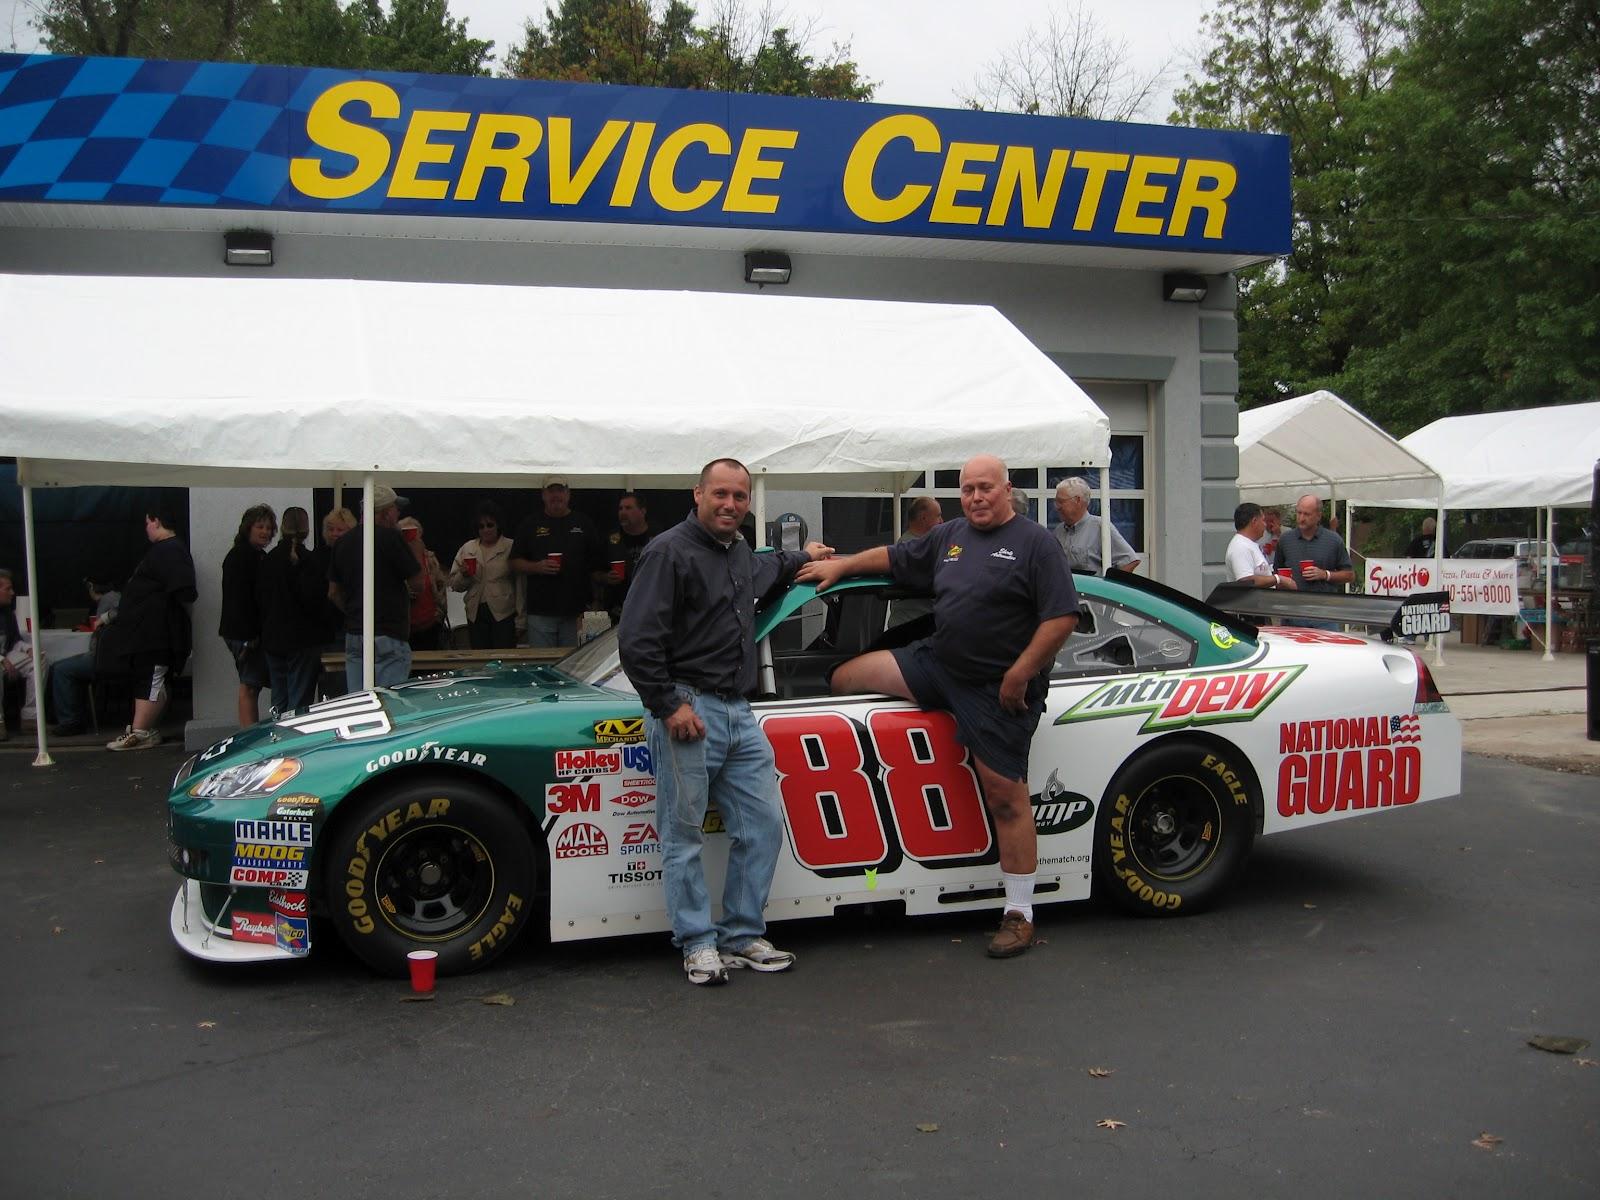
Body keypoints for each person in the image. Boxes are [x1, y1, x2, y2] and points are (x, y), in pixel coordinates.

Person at [797, 455, 1080, 959]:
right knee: (844, 676)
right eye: (967, 489)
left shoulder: (1036, 543)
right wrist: (842, 565)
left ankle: (1019, 914)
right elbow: (894, 556)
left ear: (1007, 489)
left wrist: (1019, 674)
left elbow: (1061, 618)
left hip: (997, 688)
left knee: (1006, 798)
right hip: (939, 665)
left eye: (985, 488)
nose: (976, 497)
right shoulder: (950, 535)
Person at [618, 458, 832, 986]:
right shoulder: (668, 551)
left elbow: (768, 568)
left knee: (761, 826)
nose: (731, 504)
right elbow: (637, 639)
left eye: (740, 496)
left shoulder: (737, 551)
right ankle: (697, 944)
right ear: (698, 494)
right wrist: (669, 705)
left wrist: (802, 555)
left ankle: (741, 935)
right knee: (683, 834)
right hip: (689, 709)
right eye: (721, 494)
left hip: (738, 711)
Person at [95, 506, 197, 751]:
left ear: (156, 520)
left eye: (147, 523)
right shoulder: (167, 551)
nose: (146, 529)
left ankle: (141, 732)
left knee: (152, 678)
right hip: (147, 633)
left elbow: (184, 591)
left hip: (155, 633)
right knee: (148, 677)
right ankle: (141, 729)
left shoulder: (171, 550)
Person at [328, 485, 422, 692]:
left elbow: (333, 592)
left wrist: (355, 612)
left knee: (360, 704)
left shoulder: (343, 542)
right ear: (386, 512)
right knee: (389, 703)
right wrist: (415, 549)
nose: (398, 514)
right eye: (396, 509)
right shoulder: (391, 538)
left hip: (354, 634)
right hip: (389, 632)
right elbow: (418, 583)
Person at [510, 475, 606, 648]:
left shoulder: (584, 523)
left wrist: (595, 602)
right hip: (540, 612)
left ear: (568, 494)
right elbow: (514, 563)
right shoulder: (530, 524)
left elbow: (596, 565)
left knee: (572, 666)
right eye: (551, 491)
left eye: (560, 491)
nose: (556, 496)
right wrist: (537, 567)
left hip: (576, 612)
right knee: (542, 665)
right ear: (543, 495)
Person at [257, 506, 326, 713]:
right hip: (303, 640)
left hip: (273, 638)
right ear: (307, 530)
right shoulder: (312, 561)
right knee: (300, 700)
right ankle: (295, 740)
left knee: (278, 698)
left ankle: (276, 737)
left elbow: (260, 599)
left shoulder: (268, 560)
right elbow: (317, 601)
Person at [219, 503, 275, 728]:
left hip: (244, 632)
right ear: (248, 528)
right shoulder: (243, 557)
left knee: (252, 684)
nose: (265, 532)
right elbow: (241, 600)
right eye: (260, 526)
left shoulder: (254, 555)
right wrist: (249, 637)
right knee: (249, 685)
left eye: (269, 528)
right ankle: (247, 733)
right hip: (244, 633)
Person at [1273, 494, 1354, 629]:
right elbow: (1276, 574)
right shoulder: (1285, 540)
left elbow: (1349, 575)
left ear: (1318, 516)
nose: (1301, 518)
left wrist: (1325, 574)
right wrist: (1282, 582)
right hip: (1292, 614)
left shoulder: (1333, 540)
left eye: (1307, 514)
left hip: (1324, 615)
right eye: (1299, 513)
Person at [449, 500, 522, 650]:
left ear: (498, 525)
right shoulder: (467, 548)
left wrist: (521, 619)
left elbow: (521, 585)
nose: (485, 529)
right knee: (480, 661)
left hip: (504, 613)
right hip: (475, 613)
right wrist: (464, 575)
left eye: (490, 525)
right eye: (481, 526)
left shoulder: (510, 547)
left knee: (504, 659)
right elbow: (454, 586)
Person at [1053, 477, 1139, 574]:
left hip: (1088, 589)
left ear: (1077, 500)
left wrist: (1110, 587)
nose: (1057, 506)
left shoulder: (1100, 527)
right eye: (1056, 501)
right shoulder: (1058, 531)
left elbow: (1130, 561)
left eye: (1061, 501)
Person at [886, 497, 944, 628]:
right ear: (924, 518)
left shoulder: (916, 545)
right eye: (938, 516)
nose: (942, 521)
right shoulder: (911, 549)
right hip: (911, 627)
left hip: (917, 624)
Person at [396, 516, 449, 652]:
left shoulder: (430, 559)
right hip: (404, 626)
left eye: (414, 533)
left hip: (430, 623)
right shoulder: (395, 559)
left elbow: (441, 586)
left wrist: (439, 615)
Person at [603, 492, 654, 627]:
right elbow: (595, 571)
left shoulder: (659, 536)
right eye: (620, 508)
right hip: (618, 611)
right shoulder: (610, 539)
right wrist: (606, 577)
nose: (623, 512)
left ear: (642, 511)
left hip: (651, 609)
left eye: (628, 508)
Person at [1227, 502, 1297, 589]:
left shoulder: (1249, 544)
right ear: (1254, 521)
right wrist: (1278, 579)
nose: (1265, 525)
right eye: (1263, 520)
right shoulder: (1240, 546)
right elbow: (1246, 581)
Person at [1, 568, 27, 739]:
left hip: (7, 657)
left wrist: (27, 649)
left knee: (38, 660)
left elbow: (15, 641)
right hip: (2, 660)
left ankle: (31, 717)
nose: (13, 593)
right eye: (7, 589)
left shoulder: (8, 614)